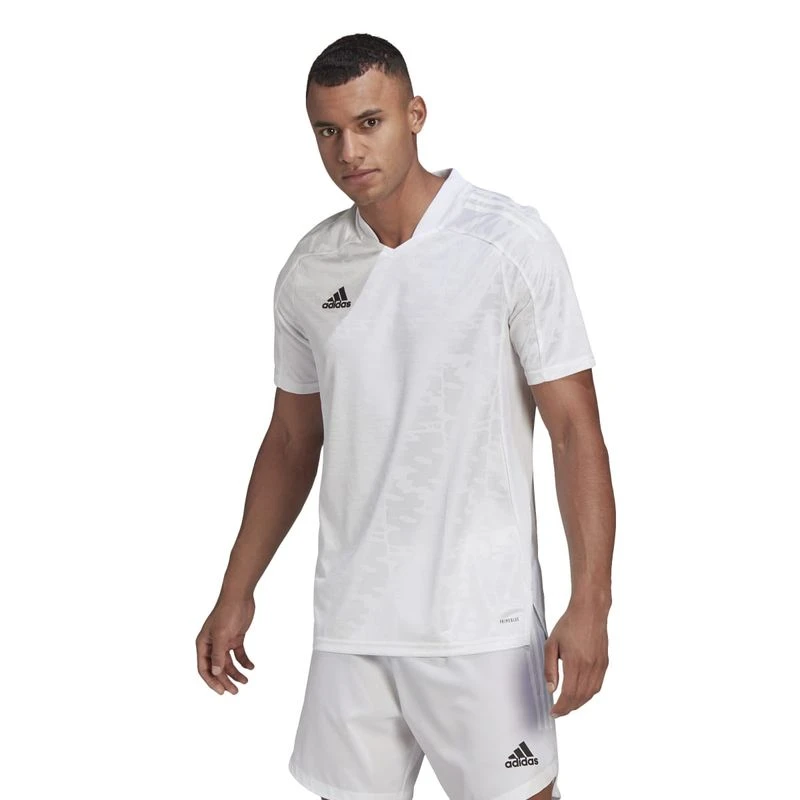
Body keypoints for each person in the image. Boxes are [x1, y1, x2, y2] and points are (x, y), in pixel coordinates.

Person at [196, 32, 615, 800]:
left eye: (369, 122)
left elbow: (574, 431)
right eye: (328, 131)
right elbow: (291, 439)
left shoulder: (507, 242)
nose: (348, 150)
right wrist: (237, 587)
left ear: (415, 114)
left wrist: (590, 601)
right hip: (353, 623)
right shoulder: (310, 269)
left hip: (479, 625)